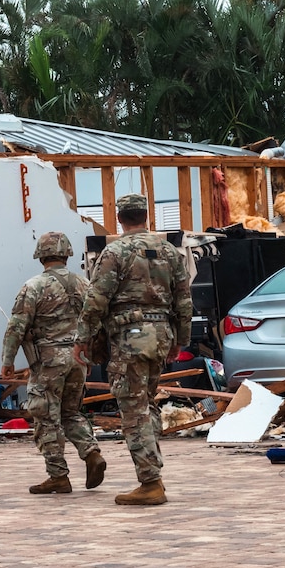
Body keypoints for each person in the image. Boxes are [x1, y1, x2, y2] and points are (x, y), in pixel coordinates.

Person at [74, 193, 192, 505]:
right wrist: (180, 339)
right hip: (161, 334)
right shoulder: (169, 251)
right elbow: (184, 299)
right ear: (146, 217)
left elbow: (96, 299)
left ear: (120, 219)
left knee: (133, 408)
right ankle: (153, 473)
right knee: (147, 404)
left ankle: (150, 482)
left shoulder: (115, 252)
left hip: (130, 337)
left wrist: (82, 338)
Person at [0, 232, 106, 494]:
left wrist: (8, 360)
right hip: (77, 360)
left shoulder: (33, 287)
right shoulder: (84, 285)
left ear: (40, 256)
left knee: (46, 417)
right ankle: (91, 453)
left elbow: (16, 327)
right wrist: (89, 356)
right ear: (67, 254)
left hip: (48, 362)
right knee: (71, 413)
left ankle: (58, 475)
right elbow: (96, 323)